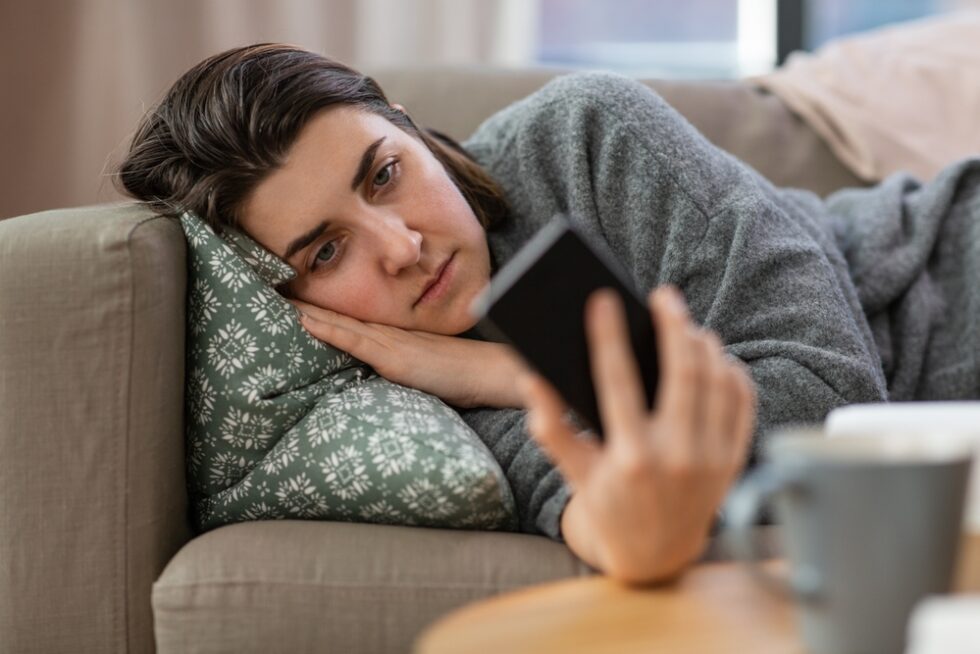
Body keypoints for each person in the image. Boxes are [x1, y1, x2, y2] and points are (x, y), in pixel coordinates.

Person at [116, 44, 980, 583]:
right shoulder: (402, 403)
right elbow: (602, 511)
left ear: (412, 130)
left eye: (384, 174)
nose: (401, 246)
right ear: (286, 300)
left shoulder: (585, 138)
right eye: (326, 252)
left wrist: (516, 373)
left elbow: (831, 405)